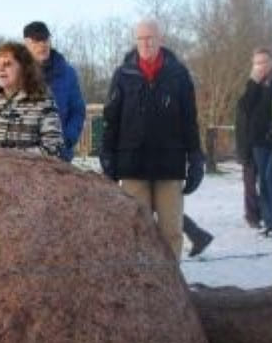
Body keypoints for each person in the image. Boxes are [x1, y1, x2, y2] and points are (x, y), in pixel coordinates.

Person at [99, 19, 203, 261]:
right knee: (137, 230)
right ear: (135, 41)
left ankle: (172, 283)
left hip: (170, 163)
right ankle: (144, 286)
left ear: (160, 39)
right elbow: (110, 118)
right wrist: (106, 153)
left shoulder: (178, 74)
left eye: (150, 38)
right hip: (133, 164)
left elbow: (190, 119)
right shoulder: (123, 74)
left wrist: (196, 156)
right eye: (141, 39)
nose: (145, 43)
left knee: (171, 231)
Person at [237, 49, 272, 238]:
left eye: (264, 61)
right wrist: (253, 82)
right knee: (264, 182)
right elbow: (244, 107)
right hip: (258, 141)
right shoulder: (256, 83)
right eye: (257, 63)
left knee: (270, 177)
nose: (261, 66)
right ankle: (270, 221)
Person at [22, 21, 86, 161]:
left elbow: (78, 111)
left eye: (45, 39)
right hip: (23, 159)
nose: (42, 45)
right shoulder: (14, 73)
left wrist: (67, 139)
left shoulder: (67, 73)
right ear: (26, 43)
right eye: (37, 40)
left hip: (59, 158)